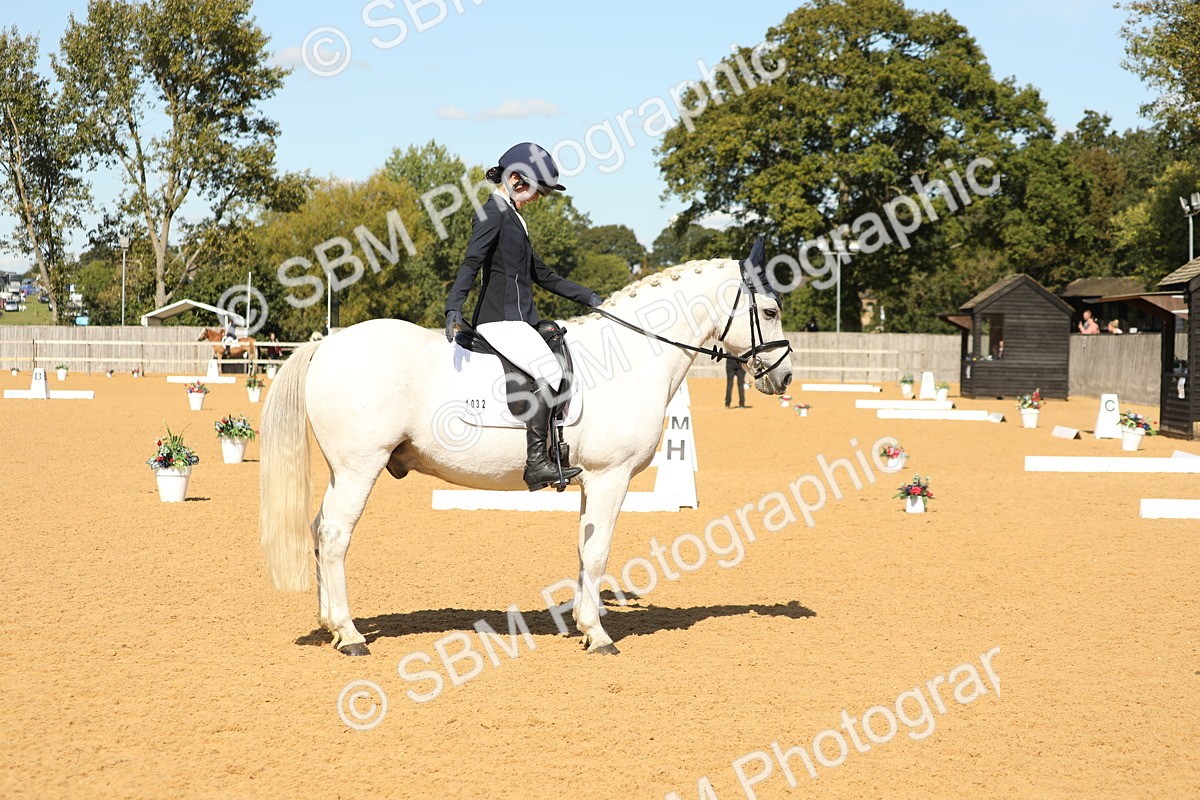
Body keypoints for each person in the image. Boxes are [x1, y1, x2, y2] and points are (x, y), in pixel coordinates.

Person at [444, 142, 603, 491]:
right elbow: (472, 261)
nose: (538, 198)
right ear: (516, 178)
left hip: (518, 319)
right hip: (499, 320)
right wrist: (453, 305)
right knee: (551, 371)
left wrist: (589, 297)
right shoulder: (492, 212)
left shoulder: (515, 217)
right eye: (536, 190)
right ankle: (536, 463)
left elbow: (542, 275)